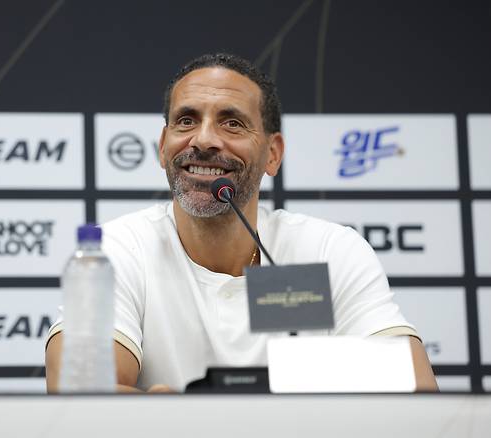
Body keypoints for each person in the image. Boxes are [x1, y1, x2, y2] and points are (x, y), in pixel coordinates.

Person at [45, 53, 438, 393]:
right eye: (186, 121)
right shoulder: (117, 249)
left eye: (231, 123)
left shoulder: (328, 250)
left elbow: (414, 388)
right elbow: (79, 392)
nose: (203, 140)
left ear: (273, 154)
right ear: (163, 147)